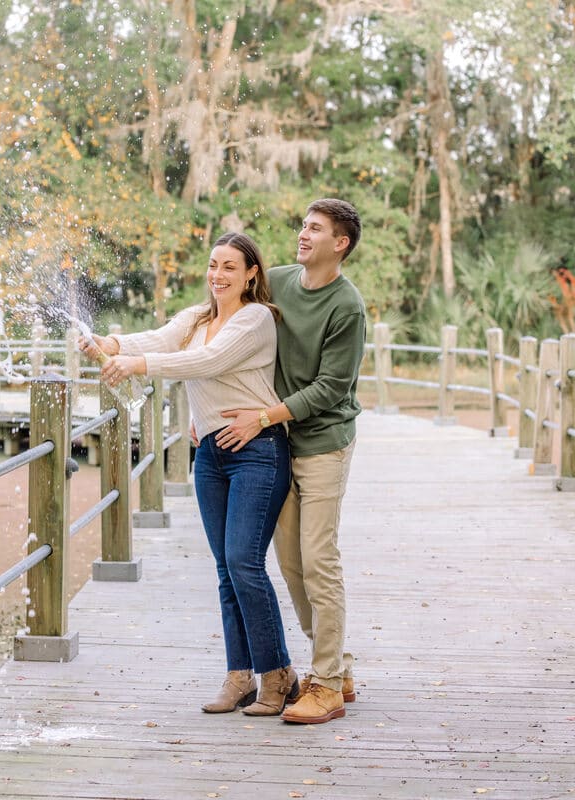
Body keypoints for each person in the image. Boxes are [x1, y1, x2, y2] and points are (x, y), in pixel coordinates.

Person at [83, 232, 299, 717]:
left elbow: (206, 361)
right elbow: (161, 338)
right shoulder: (198, 317)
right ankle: (239, 676)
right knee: (226, 570)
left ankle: (278, 675)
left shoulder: (257, 319)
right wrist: (110, 342)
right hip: (212, 456)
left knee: (245, 563)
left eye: (229, 267)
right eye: (212, 265)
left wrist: (134, 364)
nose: (217, 275)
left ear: (251, 274)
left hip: (258, 451)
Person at [215, 198, 366, 725]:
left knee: (319, 560)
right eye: (303, 225)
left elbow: (332, 387)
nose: (303, 234)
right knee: (293, 566)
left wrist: (264, 415)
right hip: (276, 443)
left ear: (339, 243)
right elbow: (223, 320)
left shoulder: (346, 306)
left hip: (322, 441)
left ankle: (323, 685)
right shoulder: (276, 281)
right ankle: (338, 665)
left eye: (316, 228)